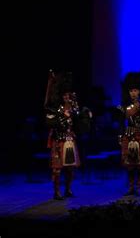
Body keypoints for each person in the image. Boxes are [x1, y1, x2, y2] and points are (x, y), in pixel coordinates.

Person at [45, 71, 92, 200]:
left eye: (68, 94)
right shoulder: (55, 109)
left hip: (70, 140)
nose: (66, 97)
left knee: (70, 169)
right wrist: (61, 116)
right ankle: (56, 192)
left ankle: (68, 189)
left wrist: (86, 115)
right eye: (64, 95)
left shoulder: (74, 108)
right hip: (58, 140)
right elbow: (49, 121)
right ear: (61, 96)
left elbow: (79, 125)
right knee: (57, 169)